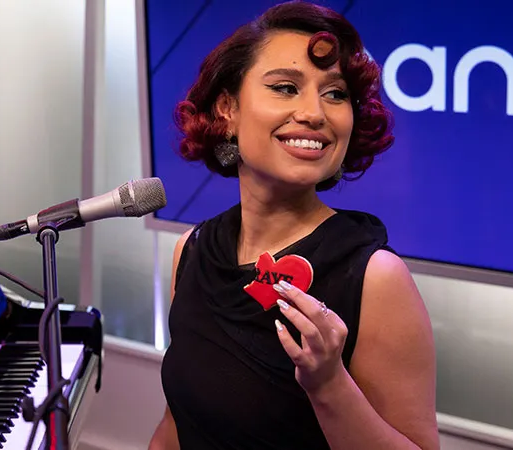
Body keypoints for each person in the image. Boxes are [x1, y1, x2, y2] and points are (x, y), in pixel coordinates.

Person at [147, 1, 439, 449]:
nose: (315, 113)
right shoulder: (191, 250)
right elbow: (176, 425)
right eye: (285, 88)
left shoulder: (376, 278)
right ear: (227, 109)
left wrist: (328, 385)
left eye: (335, 93)